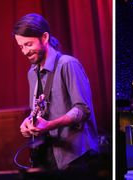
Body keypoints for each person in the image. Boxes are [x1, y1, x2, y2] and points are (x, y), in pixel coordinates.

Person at [13, 13, 99, 174]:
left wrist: (50, 125)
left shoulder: (68, 64)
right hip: (47, 156)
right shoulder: (32, 73)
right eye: (21, 46)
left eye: (29, 44)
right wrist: (29, 122)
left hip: (75, 157)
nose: (24, 51)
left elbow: (82, 109)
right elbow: (39, 109)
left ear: (44, 37)